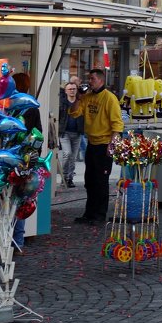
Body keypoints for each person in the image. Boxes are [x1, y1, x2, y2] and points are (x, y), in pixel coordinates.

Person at [0, 96, 42, 257]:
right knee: (19, 200)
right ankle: (17, 243)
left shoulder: (4, 108)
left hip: (4, 160)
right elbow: (38, 135)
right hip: (23, 161)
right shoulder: (30, 109)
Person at [69, 67, 123, 225]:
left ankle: (100, 214)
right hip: (92, 143)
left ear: (101, 80)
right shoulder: (87, 96)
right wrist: (78, 98)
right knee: (90, 180)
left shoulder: (109, 98)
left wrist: (111, 144)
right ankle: (89, 213)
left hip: (104, 144)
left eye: (92, 79)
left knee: (101, 181)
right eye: (89, 79)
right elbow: (74, 113)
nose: (89, 82)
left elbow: (117, 125)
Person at [59, 79, 84, 189]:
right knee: (67, 154)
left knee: (73, 158)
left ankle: (70, 178)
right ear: (65, 91)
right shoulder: (62, 102)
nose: (72, 91)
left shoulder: (81, 102)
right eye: (70, 89)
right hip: (65, 133)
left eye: (74, 89)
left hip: (77, 133)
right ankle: (64, 176)